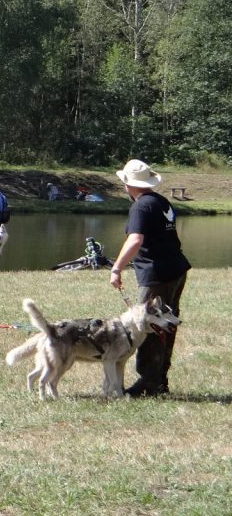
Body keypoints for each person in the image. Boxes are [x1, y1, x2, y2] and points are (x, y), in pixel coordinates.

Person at [109, 159, 191, 397]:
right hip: (176, 269)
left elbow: (135, 240)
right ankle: (160, 379)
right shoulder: (161, 201)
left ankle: (148, 383)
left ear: (128, 185)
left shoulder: (140, 207)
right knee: (167, 323)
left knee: (151, 324)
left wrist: (116, 268)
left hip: (157, 274)